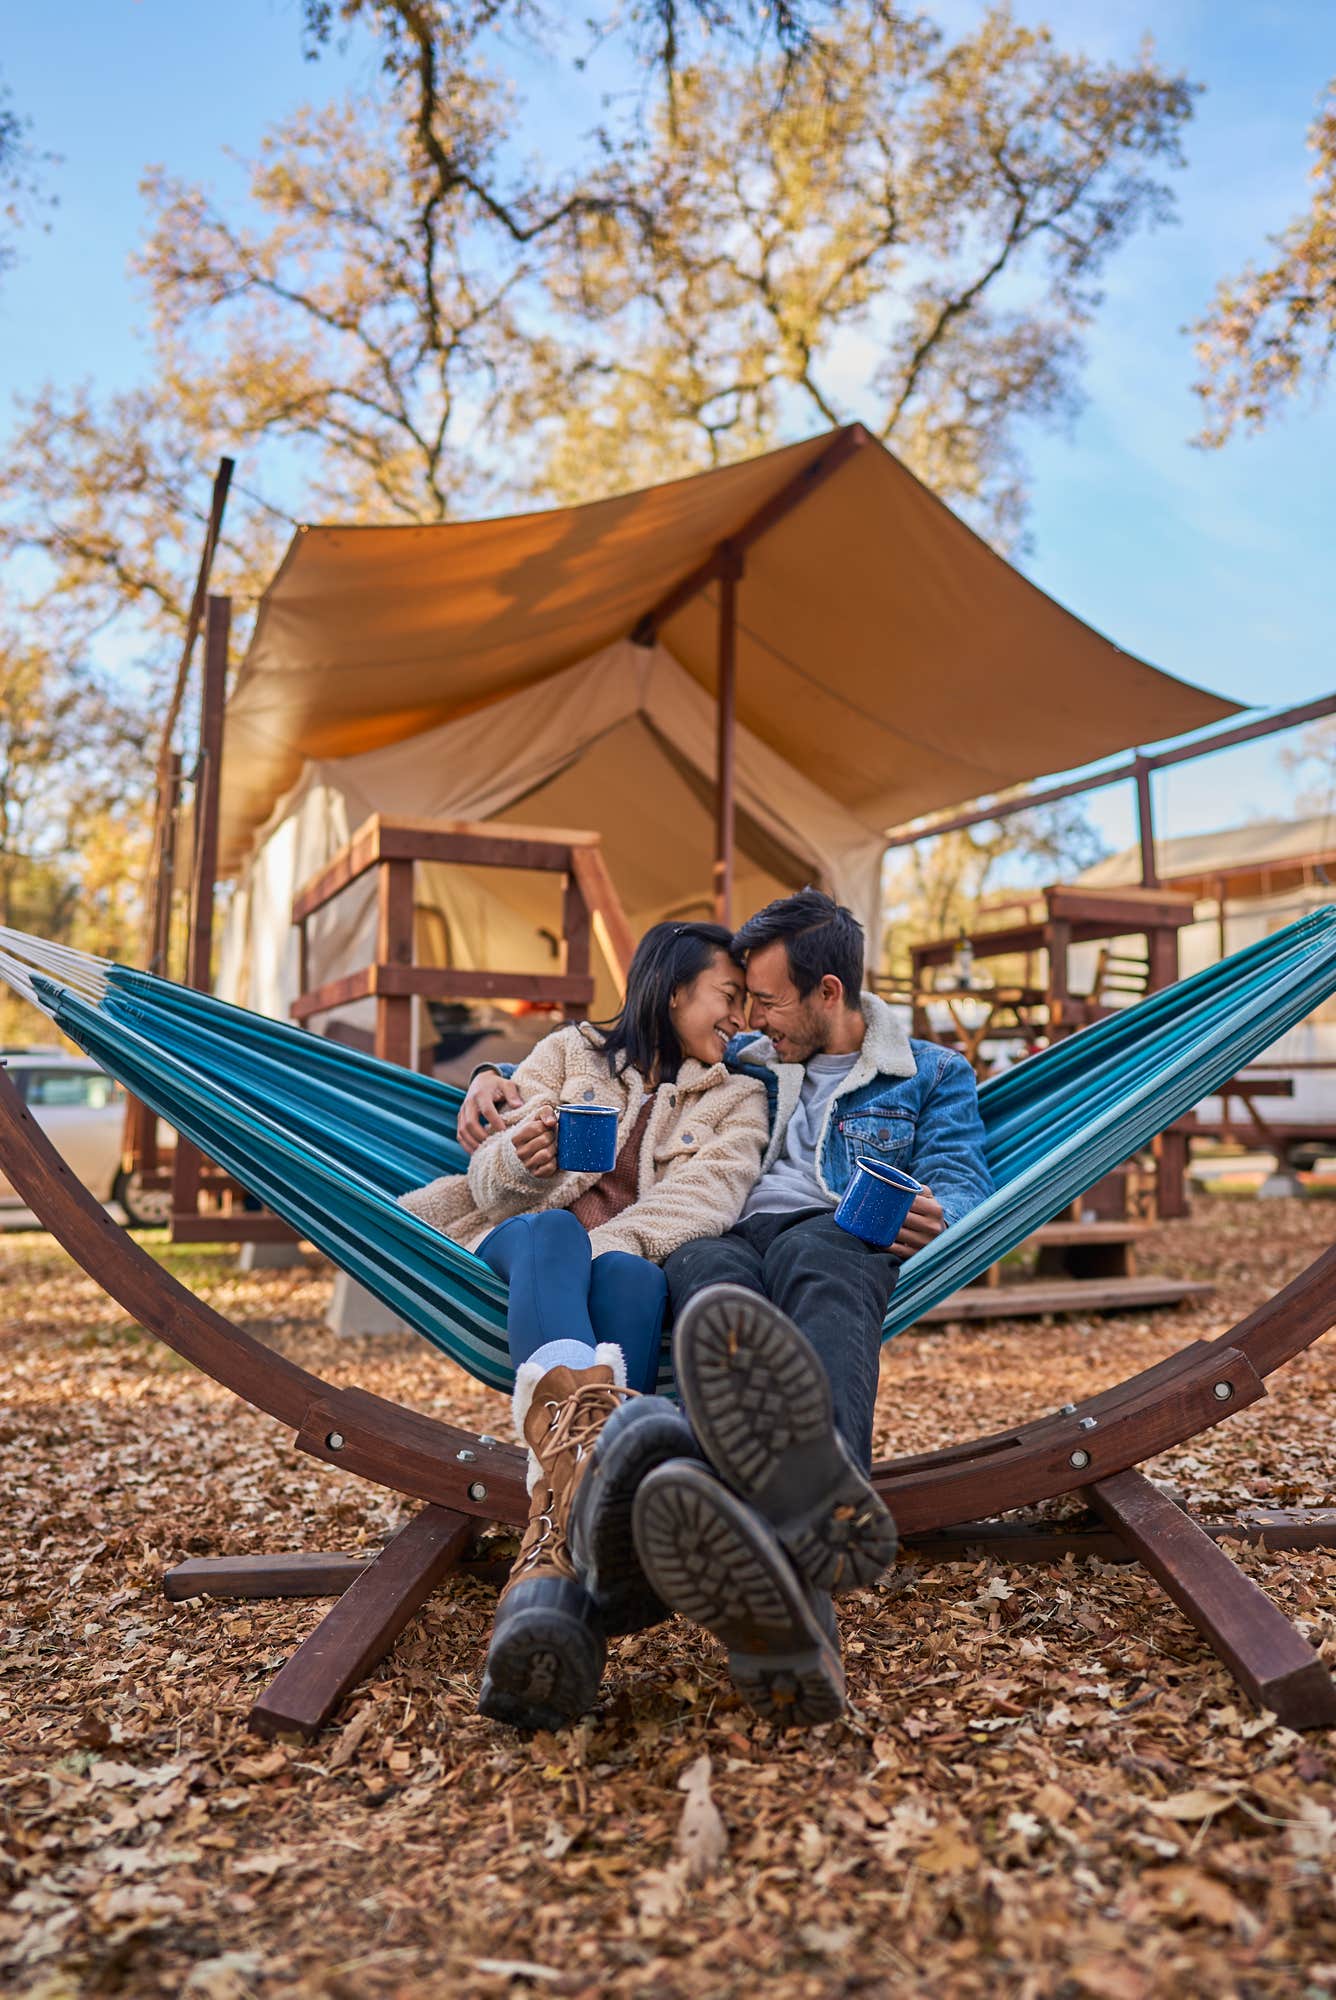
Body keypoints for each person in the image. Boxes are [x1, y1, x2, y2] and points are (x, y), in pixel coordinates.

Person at [458, 891, 994, 1728]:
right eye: (739, 996)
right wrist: (485, 1076)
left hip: (837, 1227)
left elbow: (961, 1178)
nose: (752, 1017)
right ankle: (711, 1517)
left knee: (827, 1268)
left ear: (827, 994)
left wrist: (943, 1215)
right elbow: (608, 1061)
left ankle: (817, 1510)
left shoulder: (929, 1073)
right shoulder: (741, 1058)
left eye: (767, 1000)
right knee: (708, 1286)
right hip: (727, 1234)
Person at [400, 922, 769, 1733]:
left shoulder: (740, 1096)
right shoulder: (569, 1054)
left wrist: (600, 1253)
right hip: (517, 1241)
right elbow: (490, 1179)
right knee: (555, 1235)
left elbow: (704, 1203)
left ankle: (554, 1561)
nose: (740, 1015)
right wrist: (523, 1160)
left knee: (632, 1274)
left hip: (616, 1270)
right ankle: (590, 1478)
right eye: (728, 994)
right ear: (676, 989)